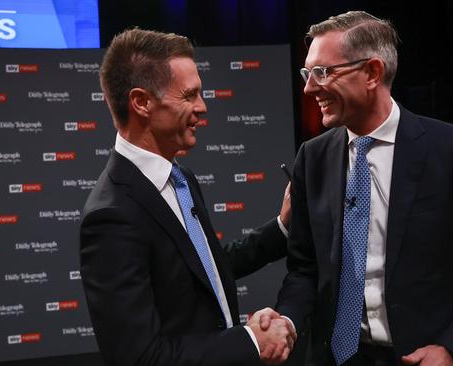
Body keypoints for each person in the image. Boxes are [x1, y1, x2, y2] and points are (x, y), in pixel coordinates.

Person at [271, 11, 453, 366]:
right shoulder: (311, 158)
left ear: (372, 73)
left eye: (323, 72)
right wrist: (287, 319)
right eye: (308, 73)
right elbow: (304, 269)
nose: (309, 87)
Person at [79, 28, 295, 366]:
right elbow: (140, 358)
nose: (202, 107)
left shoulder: (181, 179)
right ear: (141, 102)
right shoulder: (111, 216)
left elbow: (204, 268)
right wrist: (250, 341)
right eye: (189, 95)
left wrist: (281, 227)